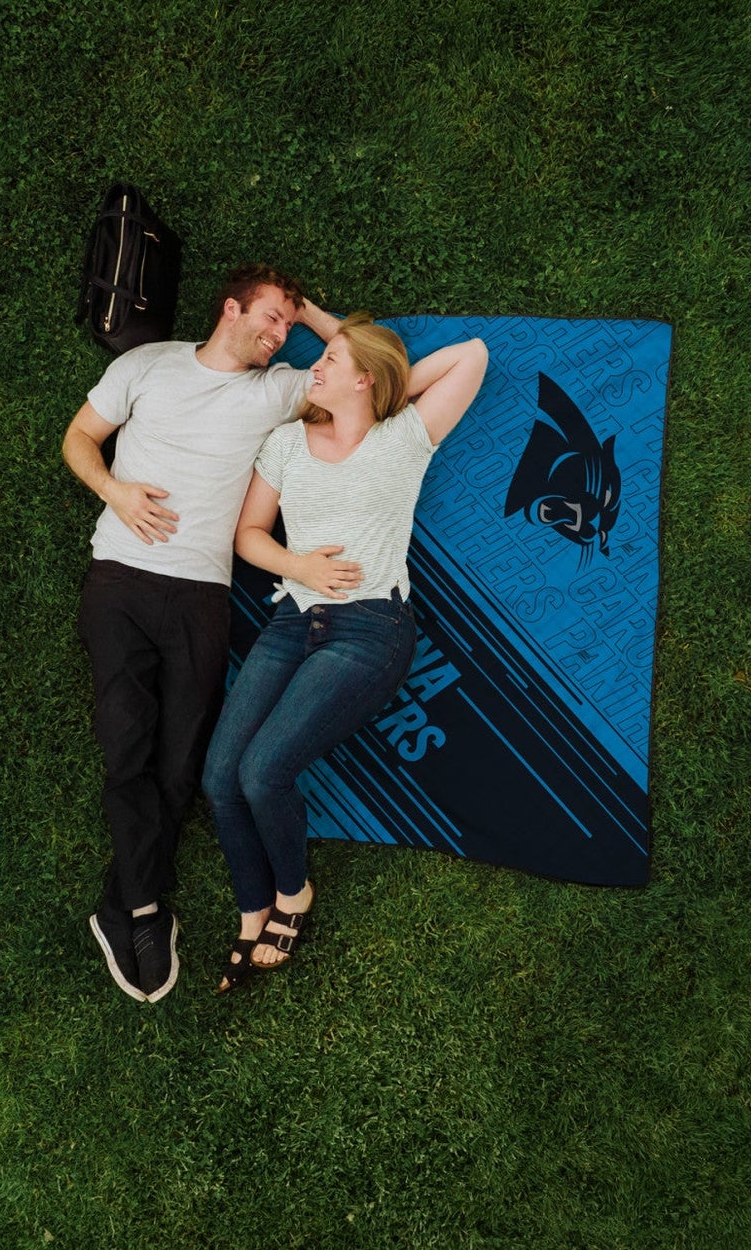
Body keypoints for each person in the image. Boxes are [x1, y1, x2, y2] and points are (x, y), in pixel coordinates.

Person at [62, 264, 342, 1003]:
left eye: (289, 325)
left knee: (181, 763)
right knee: (127, 746)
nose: (280, 335)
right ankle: (143, 911)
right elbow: (80, 437)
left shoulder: (277, 390)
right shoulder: (146, 365)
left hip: (201, 596)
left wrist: (312, 313)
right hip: (120, 579)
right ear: (230, 309)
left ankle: (122, 904)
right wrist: (115, 489)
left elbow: (369, 365)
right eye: (272, 317)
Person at [200, 314, 489, 994]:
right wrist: (298, 564)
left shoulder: (404, 436)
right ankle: (252, 907)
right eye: (320, 356)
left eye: (330, 359)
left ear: (365, 378)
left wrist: (375, 379)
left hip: (370, 631)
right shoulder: (285, 443)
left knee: (263, 771)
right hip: (292, 623)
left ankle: (292, 894)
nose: (315, 365)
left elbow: (472, 355)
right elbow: (249, 533)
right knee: (219, 778)